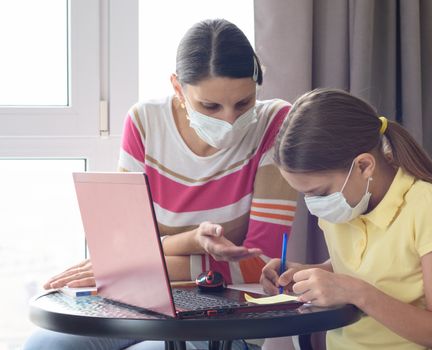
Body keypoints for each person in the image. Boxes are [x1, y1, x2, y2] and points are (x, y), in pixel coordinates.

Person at [24, 19, 297, 350]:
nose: (229, 120)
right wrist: (186, 244)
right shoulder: (145, 123)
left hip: (223, 320)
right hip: (139, 302)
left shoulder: (276, 123)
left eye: (243, 103)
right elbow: (122, 248)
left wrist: (130, 267)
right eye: (210, 106)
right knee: (45, 345)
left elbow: (258, 264)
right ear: (178, 88)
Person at [260, 88, 432, 350]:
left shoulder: (430, 206)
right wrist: (306, 273)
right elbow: (366, 266)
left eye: (318, 192)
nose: (314, 205)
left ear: (364, 166)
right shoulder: (346, 204)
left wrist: (355, 292)